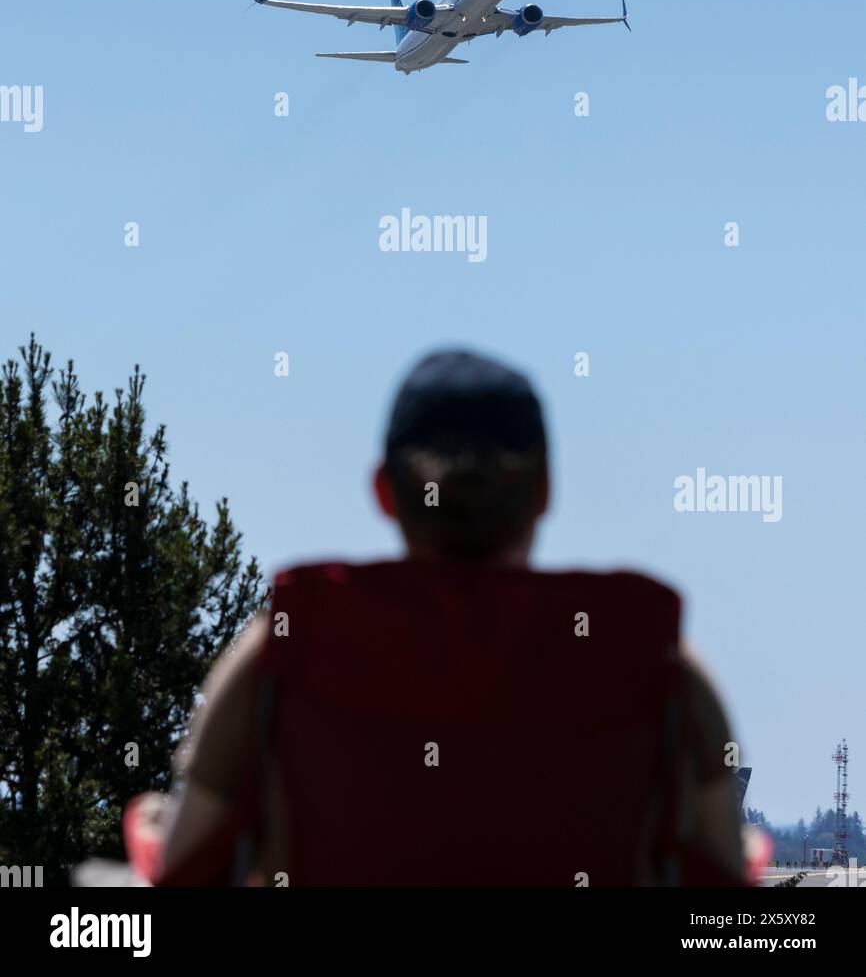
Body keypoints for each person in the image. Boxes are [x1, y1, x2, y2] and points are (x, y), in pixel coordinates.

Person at [158, 349, 745, 886]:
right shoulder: (652, 662)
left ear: (384, 492)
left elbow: (185, 868)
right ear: (544, 491)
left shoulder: (285, 650)